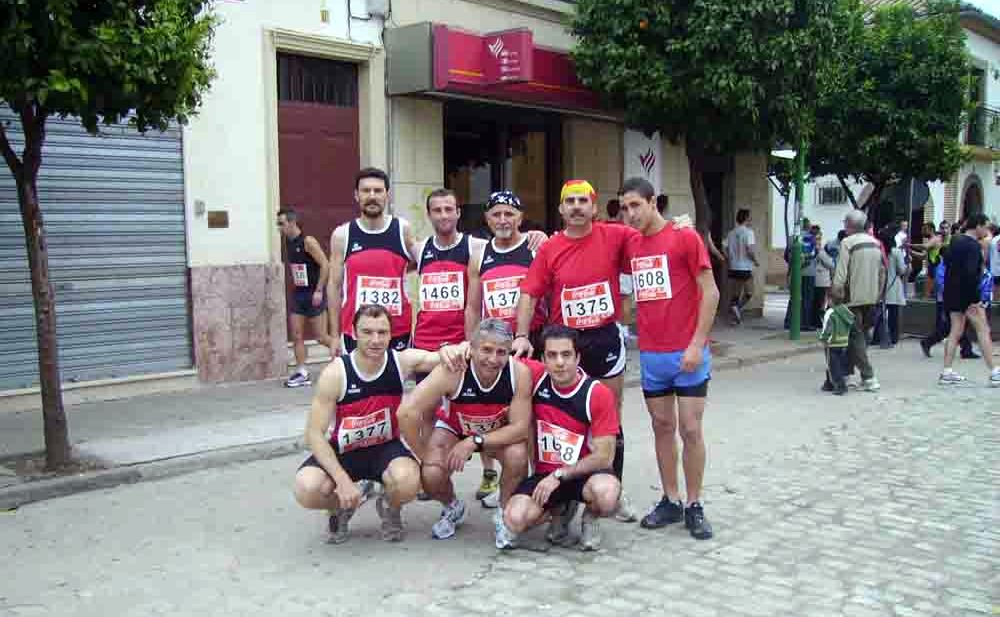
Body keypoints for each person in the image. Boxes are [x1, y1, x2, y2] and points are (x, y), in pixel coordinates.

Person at [511, 179, 638, 523]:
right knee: (556, 416)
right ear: (561, 209)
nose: (578, 207)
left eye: (584, 201)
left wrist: (677, 227)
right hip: (563, 344)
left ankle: (613, 487)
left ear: (595, 207)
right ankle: (557, 492)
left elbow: (652, 240)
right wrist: (522, 335)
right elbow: (529, 292)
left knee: (610, 418)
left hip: (603, 340)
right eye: (571, 202)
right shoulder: (551, 248)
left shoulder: (615, 235)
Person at [293, 304, 470, 544]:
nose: (375, 340)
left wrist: (453, 348)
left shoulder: (401, 362)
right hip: (346, 451)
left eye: (382, 332)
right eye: (367, 332)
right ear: (354, 333)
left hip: (385, 449)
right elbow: (314, 434)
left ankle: (389, 506)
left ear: (391, 334)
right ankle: (341, 507)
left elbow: (436, 357)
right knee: (306, 488)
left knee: (408, 481)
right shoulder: (335, 374)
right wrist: (342, 482)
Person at [618, 177, 718, 540]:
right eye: (624, 207)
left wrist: (697, 344)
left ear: (653, 203)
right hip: (652, 355)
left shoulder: (684, 237)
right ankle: (670, 500)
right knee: (662, 427)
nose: (630, 214)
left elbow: (711, 293)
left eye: (635, 206)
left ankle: (694, 504)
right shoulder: (631, 244)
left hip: (688, 352)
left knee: (690, 429)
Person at [397, 319, 533, 546]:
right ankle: (452, 506)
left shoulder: (519, 373)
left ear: (509, 352)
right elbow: (406, 413)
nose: (492, 359)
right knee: (430, 473)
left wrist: (474, 441)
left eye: (501, 352)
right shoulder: (454, 369)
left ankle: (503, 511)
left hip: (494, 432)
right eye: (486, 350)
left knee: (518, 456)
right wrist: (424, 456)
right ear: (472, 347)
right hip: (454, 429)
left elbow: (519, 428)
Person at [411, 188, 504, 502]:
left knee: (481, 411)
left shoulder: (475, 246)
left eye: (449, 209)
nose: (443, 216)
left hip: (463, 345)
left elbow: (508, 245)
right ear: (429, 215)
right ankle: (434, 471)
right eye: (437, 210)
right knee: (427, 412)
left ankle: (490, 473)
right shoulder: (419, 248)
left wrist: (536, 236)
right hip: (426, 344)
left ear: (458, 212)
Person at [502, 325, 622, 551]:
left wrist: (559, 474)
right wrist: (459, 349)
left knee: (606, 495)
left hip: (583, 474)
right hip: (544, 475)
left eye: (566, 355)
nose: (559, 362)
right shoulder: (535, 377)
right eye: (552, 355)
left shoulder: (597, 393)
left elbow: (605, 457)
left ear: (577, 357)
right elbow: (490, 351)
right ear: (542, 359)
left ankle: (590, 517)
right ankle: (558, 511)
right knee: (515, 519)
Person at [327, 168, 416, 356]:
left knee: (394, 384)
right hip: (356, 331)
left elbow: (421, 263)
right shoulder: (342, 235)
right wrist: (334, 336)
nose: (372, 196)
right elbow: (334, 286)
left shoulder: (402, 229)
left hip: (396, 330)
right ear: (356, 195)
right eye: (366, 191)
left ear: (387, 195)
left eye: (378, 190)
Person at [465, 191, 548, 354]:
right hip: (493, 342)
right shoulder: (478, 256)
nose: (502, 220)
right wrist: (471, 343)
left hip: (533, 339)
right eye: (496, 215)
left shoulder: (535, 247)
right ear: (488, 220)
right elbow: (473, 308)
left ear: (520, 218)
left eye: (509, 214)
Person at [938, 214, 999, 387]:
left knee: (955, 331)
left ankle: (947, 371)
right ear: (977, 226)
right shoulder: (973, 246)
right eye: (985, 227)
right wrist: (975, 299)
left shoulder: (955, 241)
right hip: (968, 295)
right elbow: (971, 274)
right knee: (983, 329)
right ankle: (994, 371)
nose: (987, 231)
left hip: (951, 293)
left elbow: (949, 265)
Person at [277, 208, 334, 388]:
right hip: (298, 294)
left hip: (313, 294)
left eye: (281, 224)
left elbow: (325, 264)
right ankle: (302, 372)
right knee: (297, 335)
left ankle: (348, 357)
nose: (279, 228)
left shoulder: (308, 241)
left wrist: (319, 290)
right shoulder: (287, 241)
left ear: (292, 223)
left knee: (321, 337)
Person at [831, 210, 885, 392]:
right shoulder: (876, 244)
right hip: (871, 297)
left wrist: (835, 294)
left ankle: (868, 376)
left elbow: (841, 273)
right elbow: (882, 272)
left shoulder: (847, 243)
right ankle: (846, 374)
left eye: (845, 223)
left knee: (855, 337)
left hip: (851, 298)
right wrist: (878, 294)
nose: (844, 227)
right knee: (859, 335)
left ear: (850, 225)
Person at [872, 231, 908, 346]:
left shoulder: (878, 253)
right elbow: (902, 270)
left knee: (879, 314)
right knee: (893, 315)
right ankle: (893, 337)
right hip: (893, 287)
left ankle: (877, 337)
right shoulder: (896, 252)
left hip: (880, 287)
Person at [724, 208, 758, 325]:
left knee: (736, 293)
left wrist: (729, 258)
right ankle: (737, 308)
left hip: (733, 267)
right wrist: (755, 261)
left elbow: (724, 248)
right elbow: (749, 249)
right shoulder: (749, 232)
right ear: (746, 218)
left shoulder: (731, 233)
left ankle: (735, 312)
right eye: (749, 216)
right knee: (749, 292)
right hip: (745, 267)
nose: (751, 218)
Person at [815, 230, 836, 327]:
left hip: (823, 281)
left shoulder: (821, 251)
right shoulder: (820, 252)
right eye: (817, 239)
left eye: (820, 239)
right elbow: (830, 264)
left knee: (822, 301)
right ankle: (818, 321)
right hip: (821, 281)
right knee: (821, 302)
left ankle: (819, 320)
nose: (818, 241)